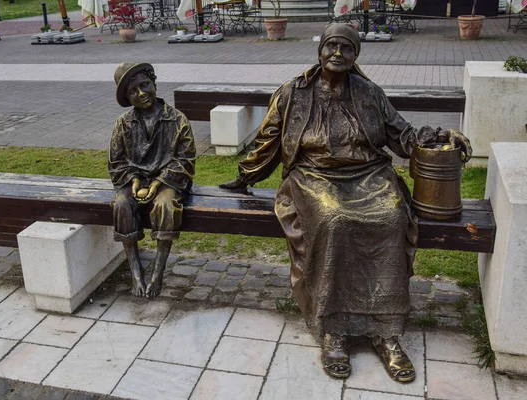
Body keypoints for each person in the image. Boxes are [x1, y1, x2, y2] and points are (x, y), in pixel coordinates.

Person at [220, 24, 471, 382]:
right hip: (313, 177)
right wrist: (246, 176)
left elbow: (400, 134)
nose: (338, 53)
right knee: (333, 220)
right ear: (320, 51)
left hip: (369, 175)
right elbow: (268, 140)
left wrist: (438, 135)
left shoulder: (369, 92)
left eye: (346, 48)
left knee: (391, 219)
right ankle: (333, 329)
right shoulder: (293, 93)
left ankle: (387, 333)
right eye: (331, 46)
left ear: (356, 55)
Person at [108, 62, 196, 299]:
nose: (141, 93)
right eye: (133, 91)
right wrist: (135, 181)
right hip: (133, 180)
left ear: (154, 83)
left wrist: (157, 184)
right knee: (121, 205)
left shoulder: (177, 120)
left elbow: (185, 159)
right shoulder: (123, 123)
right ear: (127, 97)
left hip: (169, 182)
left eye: (145, 85)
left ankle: (158, 272)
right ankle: (136, 272)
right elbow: (116, 162)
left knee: (165, 206)